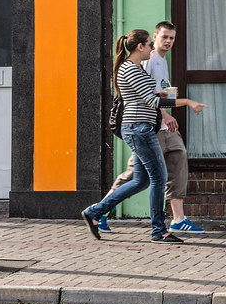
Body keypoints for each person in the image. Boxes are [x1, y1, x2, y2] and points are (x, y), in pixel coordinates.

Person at [81, 29, 207, 243]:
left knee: (141, 181)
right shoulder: (130, 69)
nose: (152, 47)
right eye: (149, 44)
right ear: (140, 46)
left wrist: (161, 94)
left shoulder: (136, 68)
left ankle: (95, 211)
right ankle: (159, 231)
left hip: (141, 127)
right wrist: (187, 102)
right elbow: (152, 102)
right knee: (158, 178)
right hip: (139, 128)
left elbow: (146, 97)